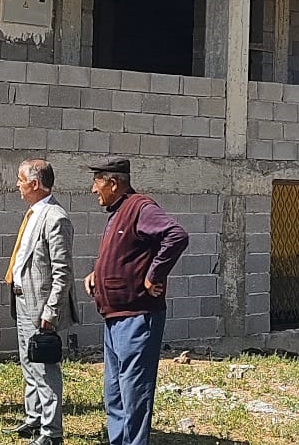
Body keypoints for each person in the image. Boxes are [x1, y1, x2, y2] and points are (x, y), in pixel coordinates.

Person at [83, 157, 189, 445]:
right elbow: (126, 254)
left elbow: (176, 235)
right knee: (114, 391)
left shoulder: (140, 208)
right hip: (115, 316)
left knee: (134, 391)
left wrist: (154, 275)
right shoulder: (117, 213)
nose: (93, 189)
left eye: (97, 181)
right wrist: (98, 273)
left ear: (113, 183)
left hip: (137, 316)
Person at [7, 159, 74, 445]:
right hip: (23, 301)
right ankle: (33, 418)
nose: (17, 185)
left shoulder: (55, 217)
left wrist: (51, 310)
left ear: (34, 184)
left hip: (41, 307)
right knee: (28, 362)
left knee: (45, 368)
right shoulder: (34, 213)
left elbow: (63, 272)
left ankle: (52, 432)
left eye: (21, 179)